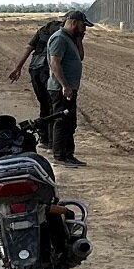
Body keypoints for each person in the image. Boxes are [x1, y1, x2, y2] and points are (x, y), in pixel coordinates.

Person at [8, 17, 65, 147]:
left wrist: (18, 67)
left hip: (34, 68)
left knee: (44, 104)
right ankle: (52, 141)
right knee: (53, 105)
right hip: (47, 69)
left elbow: (28, 49)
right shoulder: (62, 33)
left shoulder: (42, 30)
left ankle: (44, 138)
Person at [47, 10, 92, 167]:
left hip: (69, 88)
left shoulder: (70, 39)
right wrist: (65, 85)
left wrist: (79, 39)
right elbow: (55, 63)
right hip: (60, 89)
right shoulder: (59, 39)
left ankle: (68, 154)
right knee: (61, 122)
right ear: (73, 23)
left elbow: (80, 57)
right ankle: (60, 156)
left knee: (69, 123)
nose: (84, 29)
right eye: (82, 26)